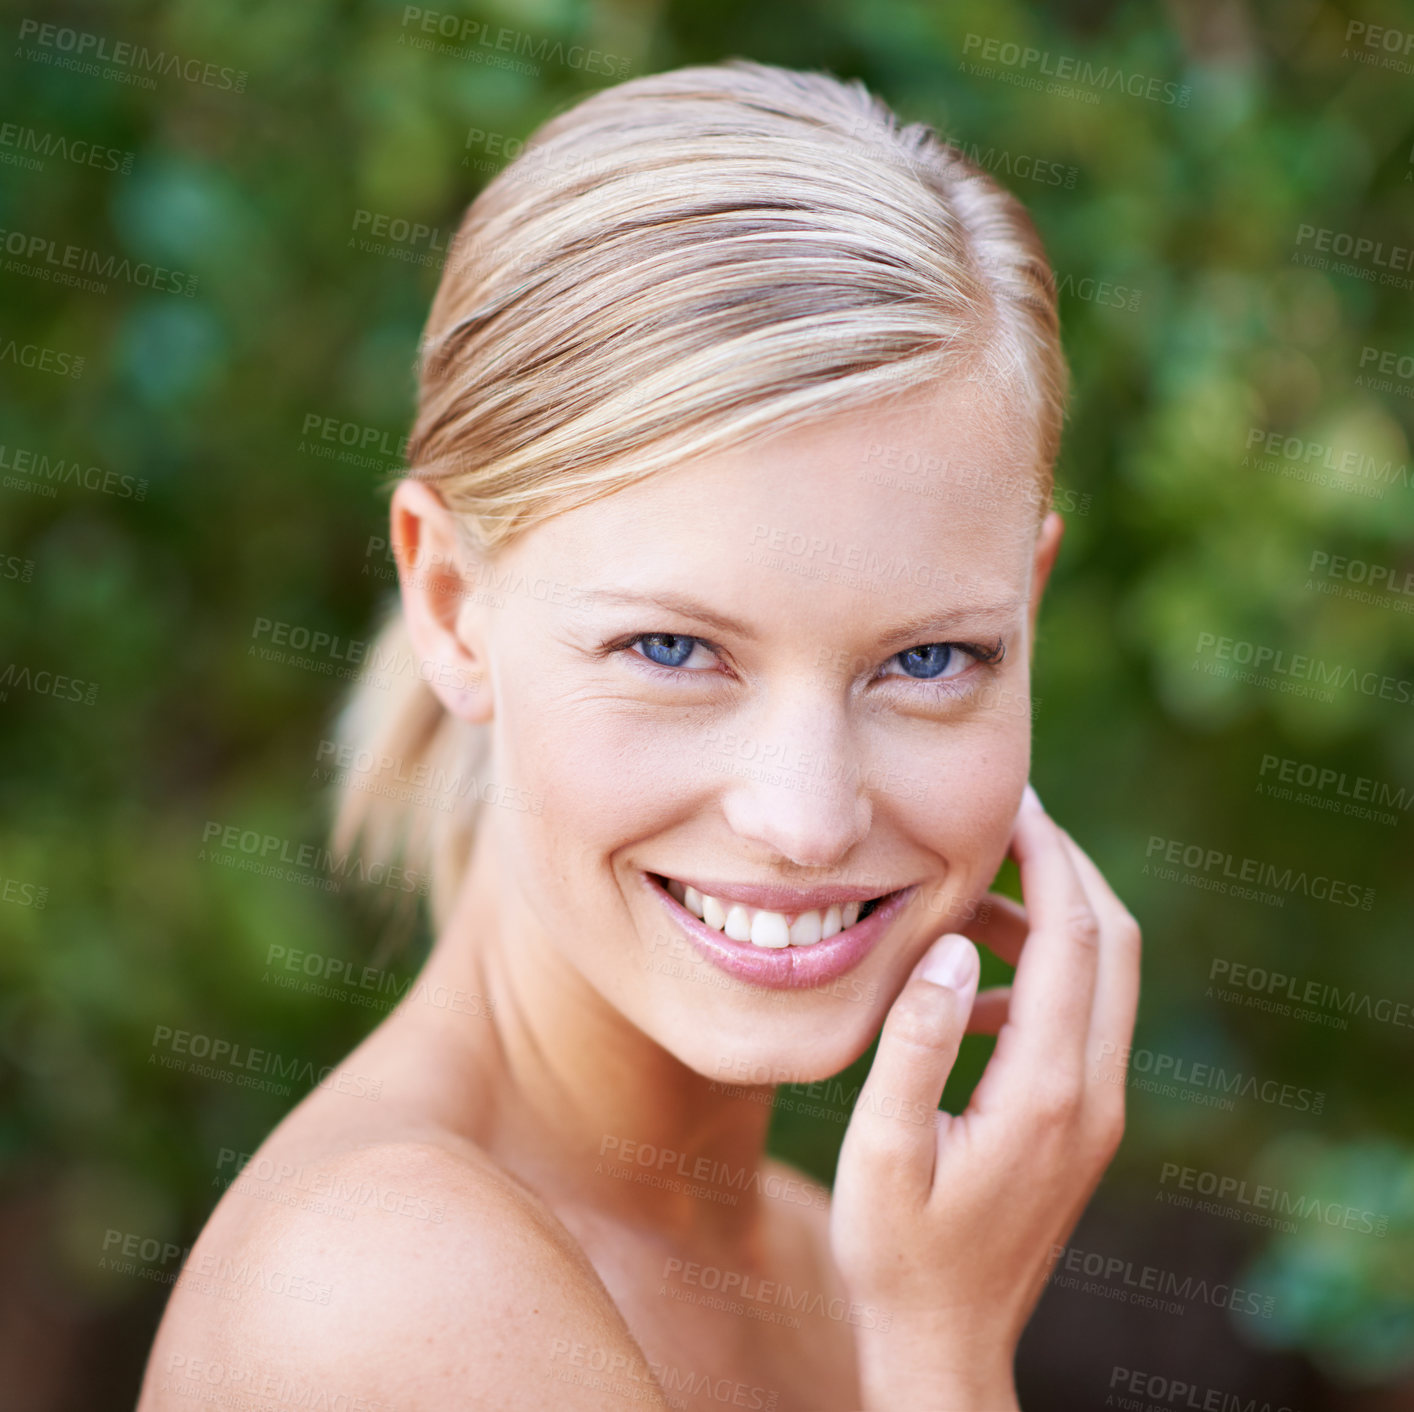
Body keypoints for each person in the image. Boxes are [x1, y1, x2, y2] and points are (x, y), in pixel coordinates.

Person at [137, 58, 1140, 1412]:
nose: (805, 816)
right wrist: (940, 1361)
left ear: (1024, 611)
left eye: (926, 658)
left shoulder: (834, 1257)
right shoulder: (392, 1290)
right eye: (671, 649)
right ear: (450, 604)